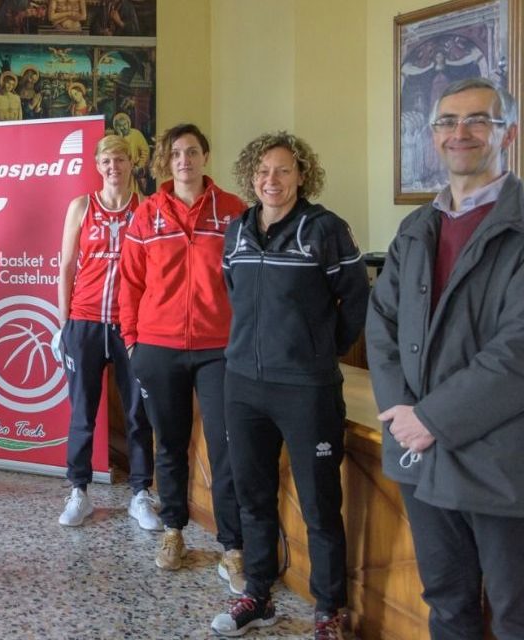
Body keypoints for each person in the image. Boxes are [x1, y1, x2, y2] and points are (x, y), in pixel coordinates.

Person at [367, 77, 524, 639]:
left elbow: (517, 351)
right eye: (447, 123)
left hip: (501, 458)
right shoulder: (417, 229)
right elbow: (380, 326)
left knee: (513, 611)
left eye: (478, 120)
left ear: (506, 134)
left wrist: (431, 419)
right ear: (433, 137)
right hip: (420, 456)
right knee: (447, 600)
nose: (461, 133)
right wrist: (405, 416)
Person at [211, 133, 369, 638]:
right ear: (251, 177)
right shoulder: (236, 231)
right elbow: (234, 293)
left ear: (302, 175)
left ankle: (328, 611)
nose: (271, 180)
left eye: (282, 170)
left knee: (320, 504)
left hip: (306, 389)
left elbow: (355, 301)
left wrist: (320, 352)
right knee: (252, 497)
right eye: (262, 171)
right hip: (243, 385)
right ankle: (257, 594)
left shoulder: (325, 230)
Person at [118, 123, 247, 588]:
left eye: (192, 152)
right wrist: (132, 341)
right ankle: (173, 530)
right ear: (166, 162)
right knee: (169, 444)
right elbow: (129, 283)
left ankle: (233, 546)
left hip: (220, 349)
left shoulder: (234, 212)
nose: (185, 160)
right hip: (158, 347)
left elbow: (248, 281)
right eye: (176, 154)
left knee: (226, 446)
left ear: (205, 157)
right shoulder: (147, 214)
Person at [55, 134, 158, 530]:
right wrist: (64, 324)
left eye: (120, 160)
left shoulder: (147, 210)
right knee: (83, 410)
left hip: (132, 326)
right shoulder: (82, 206)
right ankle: (78, 491)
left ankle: (140, 494)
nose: (113, 167)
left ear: (132, 163)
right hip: (84, 322)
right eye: (106, 162)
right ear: (97, 167)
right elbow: (66, 266)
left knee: (137, 411)